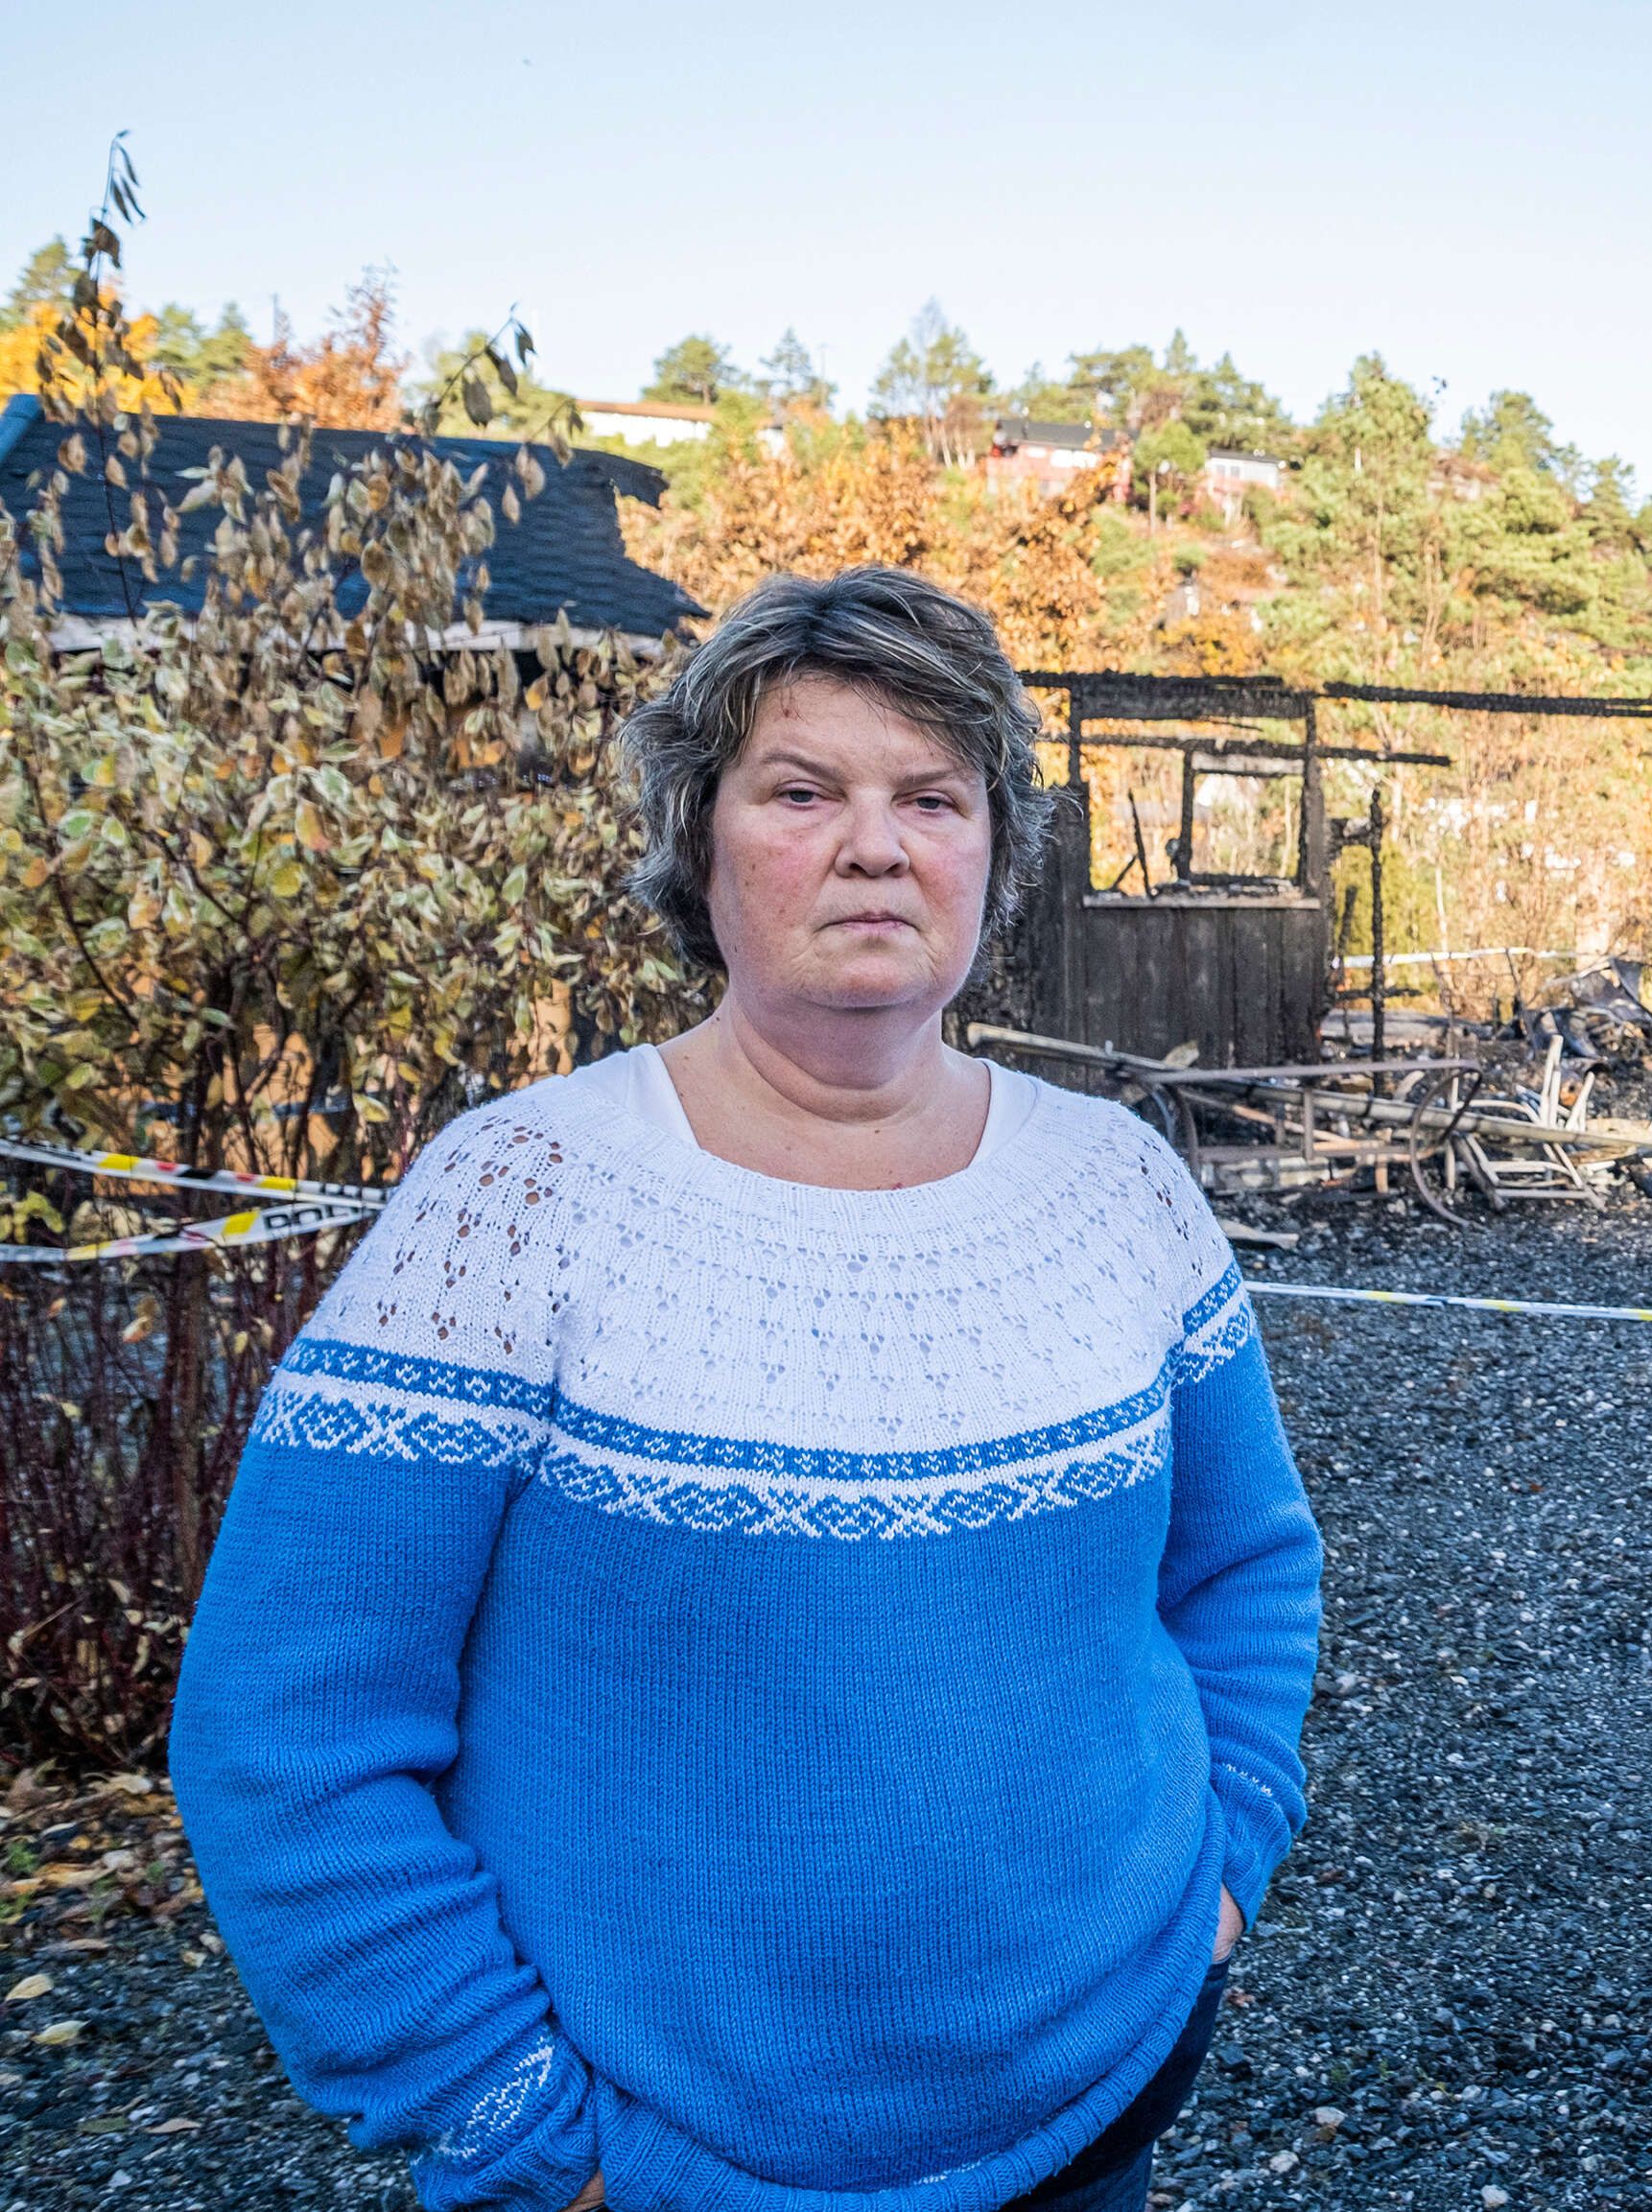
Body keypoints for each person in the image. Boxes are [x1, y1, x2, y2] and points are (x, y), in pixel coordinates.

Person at [169, 567, 1326, 2212]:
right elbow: (288, 1725)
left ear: (993, 851)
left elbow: (1247, 1565)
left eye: (933, 797)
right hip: (657, 2168)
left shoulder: (1120, 1185)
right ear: (696, 840)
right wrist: (513, 2123)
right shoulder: (513, 1198)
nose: (876, 846)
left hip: (1102, 2093)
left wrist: (1223, 1867)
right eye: (801, 792)